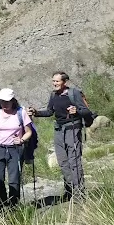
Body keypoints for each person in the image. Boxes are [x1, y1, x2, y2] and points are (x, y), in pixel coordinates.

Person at [28, 72, 92, 201]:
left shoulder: (74, 94)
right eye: (53, 81)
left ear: (65, 82)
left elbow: (86, 111)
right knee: (63, 162)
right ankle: (69, 192)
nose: (54, 83)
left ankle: (79, 193)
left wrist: (77, 111)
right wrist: (36, 113)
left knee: (74, 161)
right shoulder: (53, 95)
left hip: (72, 128)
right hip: (58, 130)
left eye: (57, 81)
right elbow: (50, 112)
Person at [0, 88, 33, 208]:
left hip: (15, 149)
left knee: (14, 180)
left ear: (13, 101)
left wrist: (22, 140)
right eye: (2, 101)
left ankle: (13, 206)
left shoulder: (21, 112)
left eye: (7, 101)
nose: (4, 104)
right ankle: (2, 204)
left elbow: (28, 132)